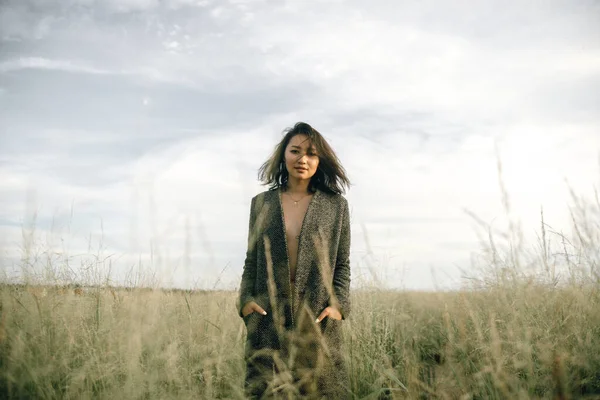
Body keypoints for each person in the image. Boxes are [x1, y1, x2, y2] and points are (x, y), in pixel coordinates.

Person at [237, 122, 352, 399]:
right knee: (265, 390)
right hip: (267, 318)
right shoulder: (262, 203)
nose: (303, 159)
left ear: (320, 160)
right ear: (283, 155)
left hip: (316, 318)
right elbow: (252, 260)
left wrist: (338, 306)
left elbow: (342, 264)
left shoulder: (336, 205)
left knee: (319, 391)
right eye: (295, 151)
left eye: (311, 153)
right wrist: (245, 302)